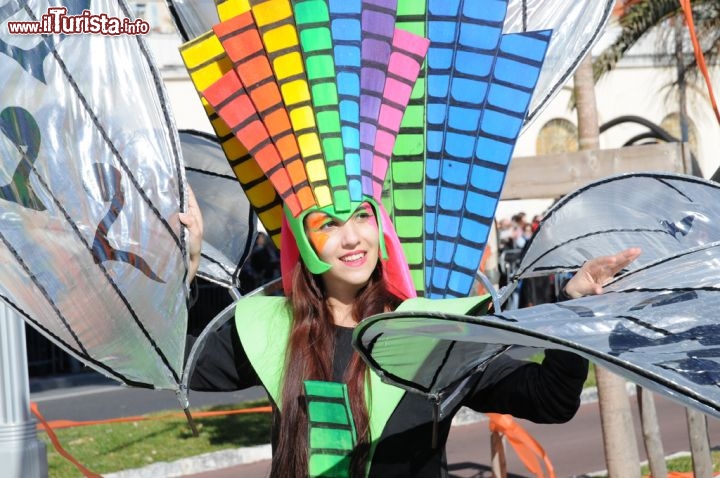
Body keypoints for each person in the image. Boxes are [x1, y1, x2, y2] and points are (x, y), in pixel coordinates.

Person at [179, 192, 642, 477]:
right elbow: (186, 360)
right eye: (330, 224)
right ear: (301, 237)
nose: (353, 237)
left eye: (361, 216)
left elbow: (552, 400)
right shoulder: (274, 330)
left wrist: (572, 307)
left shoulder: (430, 331)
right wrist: (191, 263)